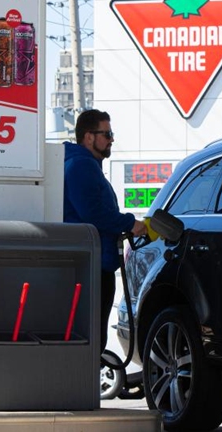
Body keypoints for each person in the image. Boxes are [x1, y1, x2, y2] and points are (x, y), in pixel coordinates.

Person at [63, 109, 147, 354]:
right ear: (89, 137)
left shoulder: (82, 164)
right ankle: (84, 388)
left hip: (92, 263)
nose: (111, 139)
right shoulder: (81, 166)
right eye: (107, 134)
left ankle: (84, 386)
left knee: (91, 336)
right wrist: (131, 224)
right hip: (93, 265)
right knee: (92, 338)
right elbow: (93, 213)